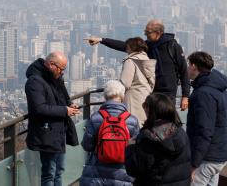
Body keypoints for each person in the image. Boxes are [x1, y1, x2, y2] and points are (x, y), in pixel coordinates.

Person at [87, 19, 190, 110]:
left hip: (168, 94)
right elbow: (125, 46)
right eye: (145, 32)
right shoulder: (147, 45)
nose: (145, 34)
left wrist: (185, 96)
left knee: (166, 123)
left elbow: (184, 71)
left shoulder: (173, 46)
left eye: (148, 32)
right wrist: (102, 40)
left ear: (158, 33)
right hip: (151, 92)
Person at [25, 51, 80, 186]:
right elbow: (39, 108)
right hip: (46, 133)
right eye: (61, 69)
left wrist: (69, 104)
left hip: (58, 131)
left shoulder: (55, 78)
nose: (62, 72)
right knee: (49, 172)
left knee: (59, 171)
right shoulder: (35, 81)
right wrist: (65, 110)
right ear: (51, 65)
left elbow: (62, 97)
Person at [81, 80, 140, 186]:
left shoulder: (96, 117)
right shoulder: (132, 120)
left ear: (105, 96)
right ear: (122, 96)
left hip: (97, 175)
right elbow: (136, 149)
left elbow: (87, 145)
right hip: (124, 174)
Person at [125, 93, 192, 186]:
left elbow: (134, 169)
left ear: (151, 111)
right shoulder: (180, 132)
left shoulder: (148, 137)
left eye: (145, 107)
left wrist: (130, 147)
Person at [186, 51, 227, 186]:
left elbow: (204, 131)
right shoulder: (218, 89)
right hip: (218, 154)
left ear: (193, 66)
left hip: (206, 158)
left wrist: (194, 163)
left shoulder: (203, 94)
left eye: (188, 65)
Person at [119, 37, 156, 125]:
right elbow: (152, 82)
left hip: (133, 98)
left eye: (127, 46)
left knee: (131, 124)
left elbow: (125, 83)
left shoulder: (130, 61)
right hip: (145, 96)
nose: (126, 49)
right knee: (143, 122)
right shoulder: (147, 61)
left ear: (132, 47)